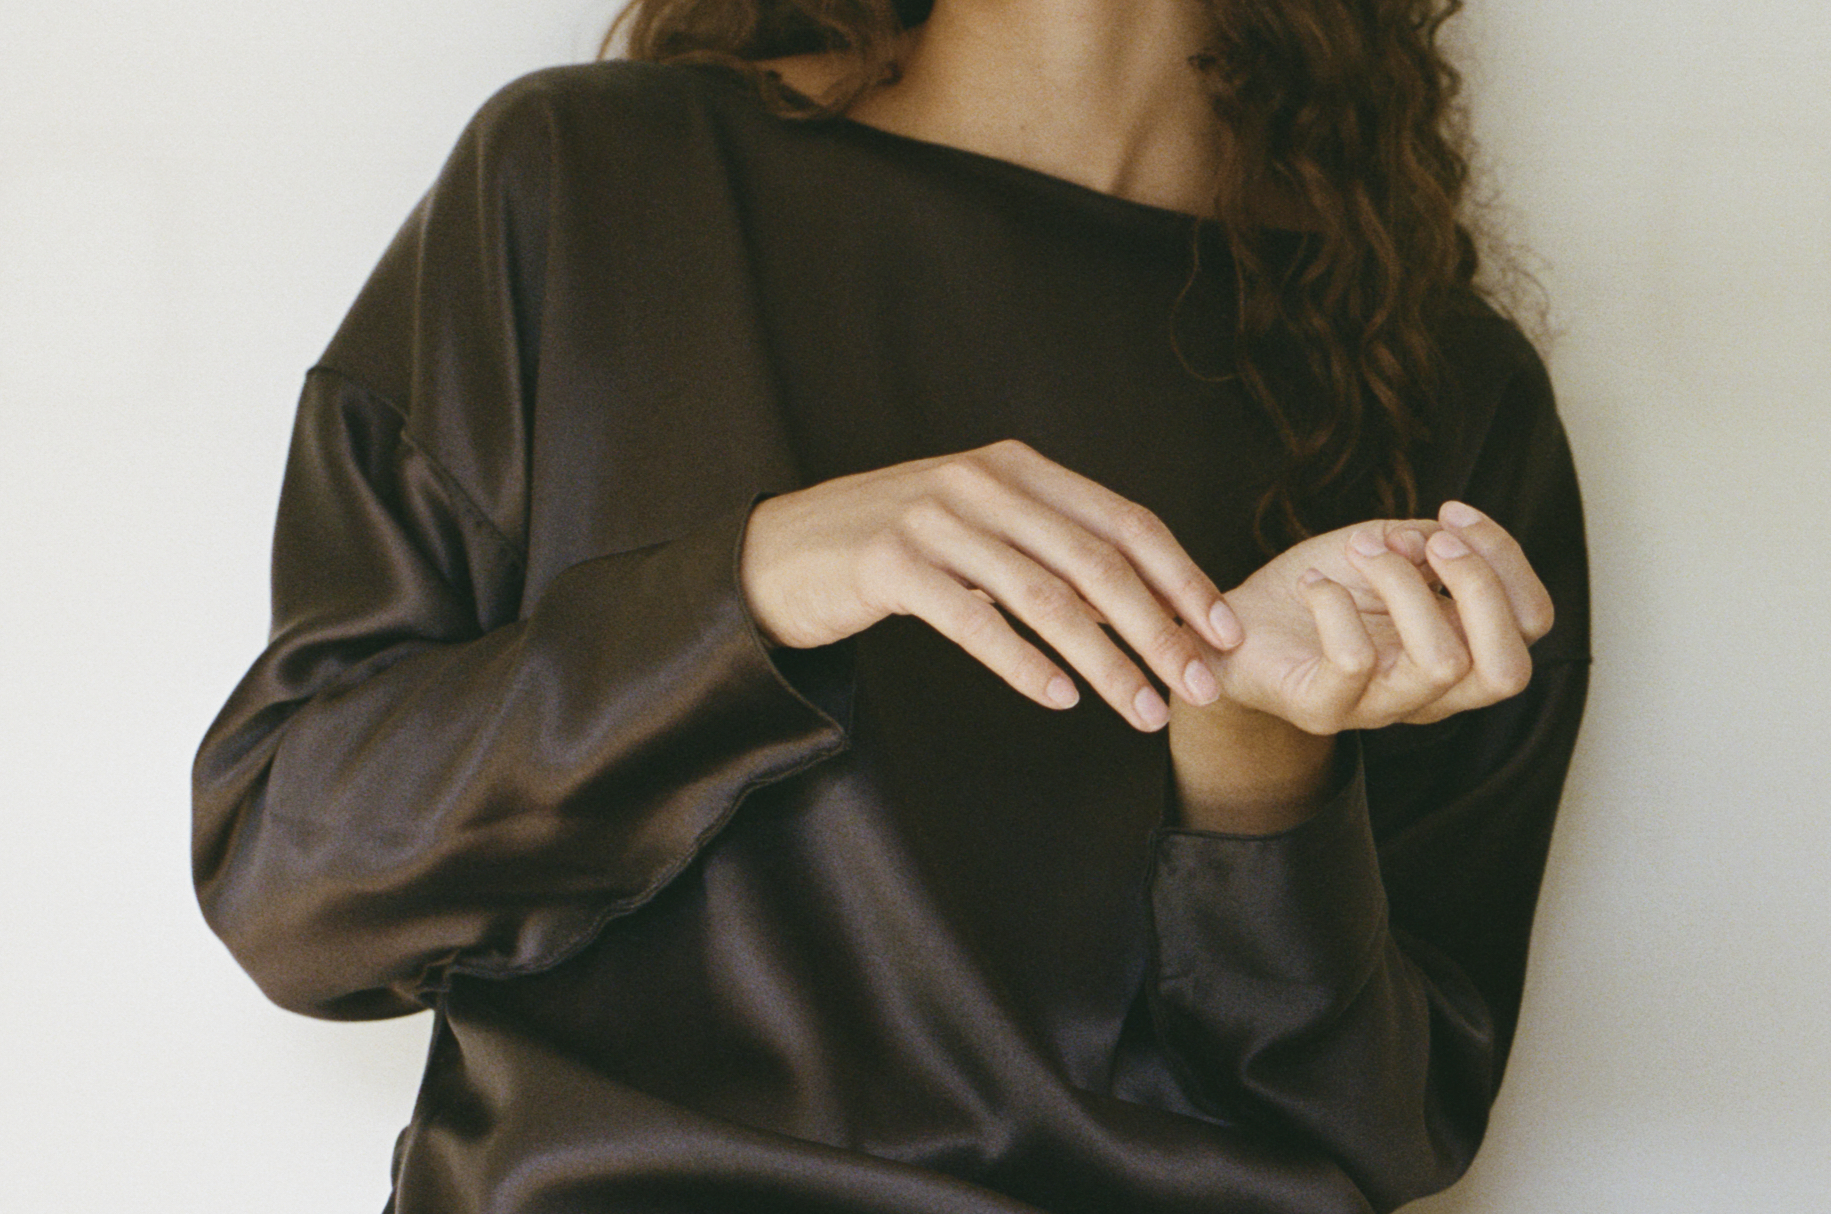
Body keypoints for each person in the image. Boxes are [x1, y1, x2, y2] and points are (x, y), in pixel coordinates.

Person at [193, 1, 1589, 1210]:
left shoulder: (1444, 397)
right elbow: (293, 882)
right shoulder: (588, 181)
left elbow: (1382, 1130)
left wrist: (1252, 756)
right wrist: (756, 586)